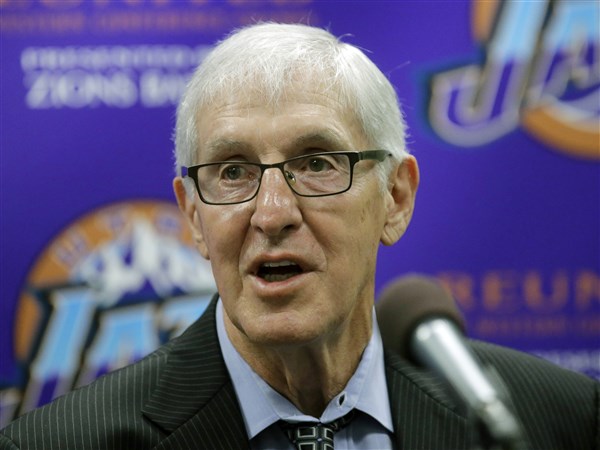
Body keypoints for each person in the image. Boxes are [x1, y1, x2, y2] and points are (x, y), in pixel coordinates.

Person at [1, 22, 598, 450]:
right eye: (232, 172)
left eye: (316, 163)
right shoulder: (61, 442)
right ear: (194, 218)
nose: (272, 214)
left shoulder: (553, 422)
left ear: (395, 198)